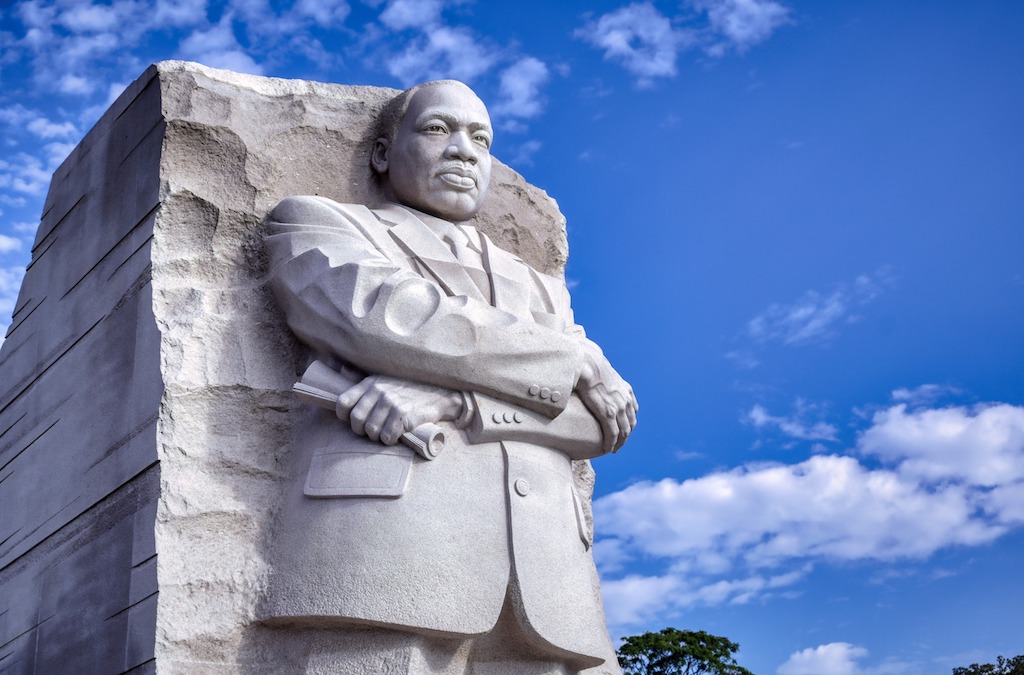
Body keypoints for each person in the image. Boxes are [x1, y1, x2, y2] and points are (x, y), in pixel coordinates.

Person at [263, 80, 637, 675]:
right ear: (383, 153)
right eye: (439, 129)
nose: (463, 150)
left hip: (548, 582)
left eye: (480, 138)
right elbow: (386, 320)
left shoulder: (541, 287)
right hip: (388, 552)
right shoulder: (317, 223)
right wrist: (576, 360)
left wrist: (455, 400)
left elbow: (598, 421)